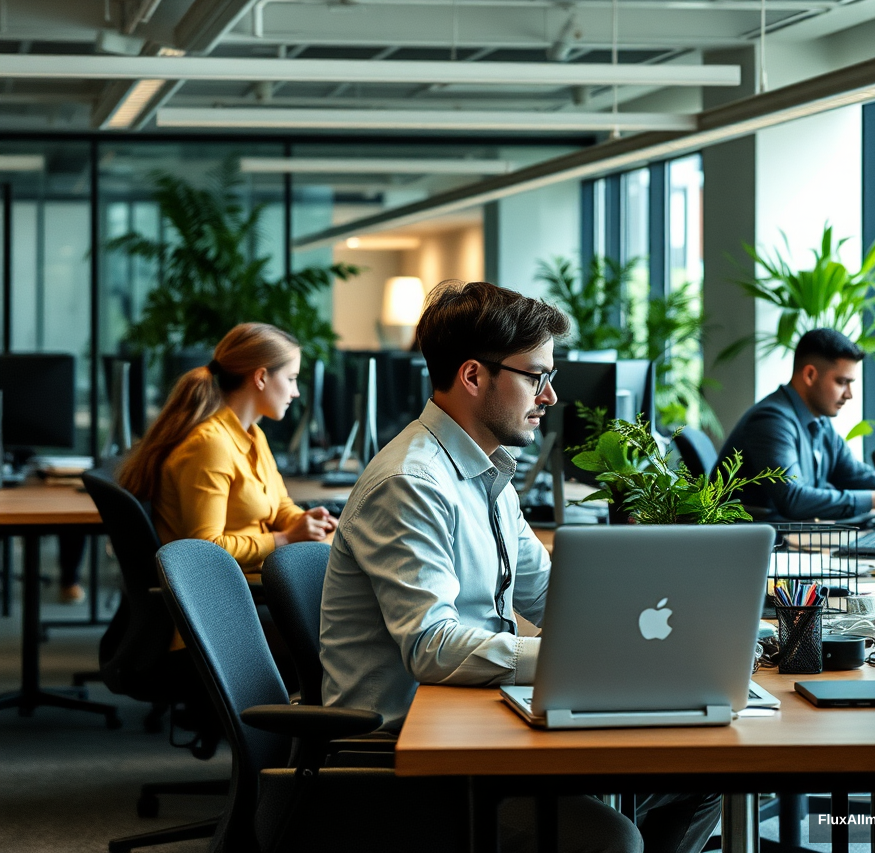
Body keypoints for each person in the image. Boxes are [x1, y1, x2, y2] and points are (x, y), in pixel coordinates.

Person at [320, 280, 721, 853]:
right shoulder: (412, 483)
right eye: (537, 377)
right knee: (612, 841)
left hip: (478, 728)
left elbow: (556, 593)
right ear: (473, 376)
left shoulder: (488, 473)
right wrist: (581, 660)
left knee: (702, 785)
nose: (551, 396)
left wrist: (671, 629)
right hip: (410, 763)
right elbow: (431, 646)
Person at [119, 322, 337, 573]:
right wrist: (285, 539)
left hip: (261, 574)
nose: (296, 392)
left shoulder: (253, 434)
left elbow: (278, 505)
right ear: (261, 378)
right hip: (232, 590)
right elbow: (206, 549)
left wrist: (307, 523)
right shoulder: (210, 446)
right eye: (291, 379)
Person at [714, 328, 875, 522]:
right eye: (842, 382)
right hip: (755, 547)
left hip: (789, 542)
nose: (849, 394)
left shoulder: (819, 422)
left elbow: (855, 475)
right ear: (810, 375)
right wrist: (874, 500)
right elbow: (793, 499)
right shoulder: (770, 421)